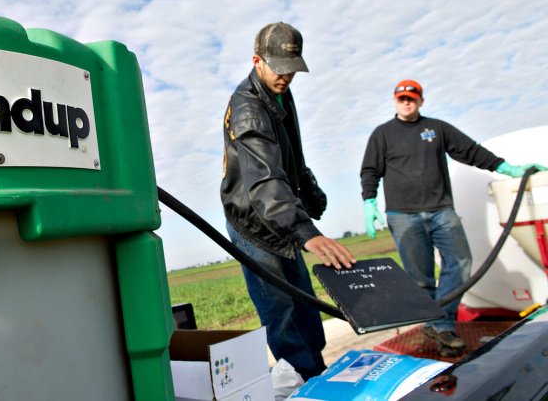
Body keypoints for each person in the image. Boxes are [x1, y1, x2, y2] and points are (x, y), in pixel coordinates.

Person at [361, 79, 547, 353]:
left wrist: (509, 169)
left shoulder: (436, 129)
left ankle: (441, 322)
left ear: (421, 101)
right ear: (394, 101)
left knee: (460, 263)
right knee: (420, 278)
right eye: (402, 98)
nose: (407, 102)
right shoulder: (383, 134)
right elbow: (370, 169)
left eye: (412, 98)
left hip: (441, 211)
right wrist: (369, 200)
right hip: (403, 216)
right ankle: (439, 328)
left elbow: (471, 152)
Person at [221, 22, 356, 380]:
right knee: (279, 310)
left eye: (292, 69)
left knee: (304, 305)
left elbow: (291, 156)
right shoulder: (248, 108)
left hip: (281, 215)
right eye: (279, 68)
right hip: (254, 224)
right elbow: (264, 179)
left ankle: (318, 372)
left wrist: (310, 193)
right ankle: (303, 381)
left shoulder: (281, 94)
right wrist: (304, 231)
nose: (286, 77)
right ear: (257, 60)